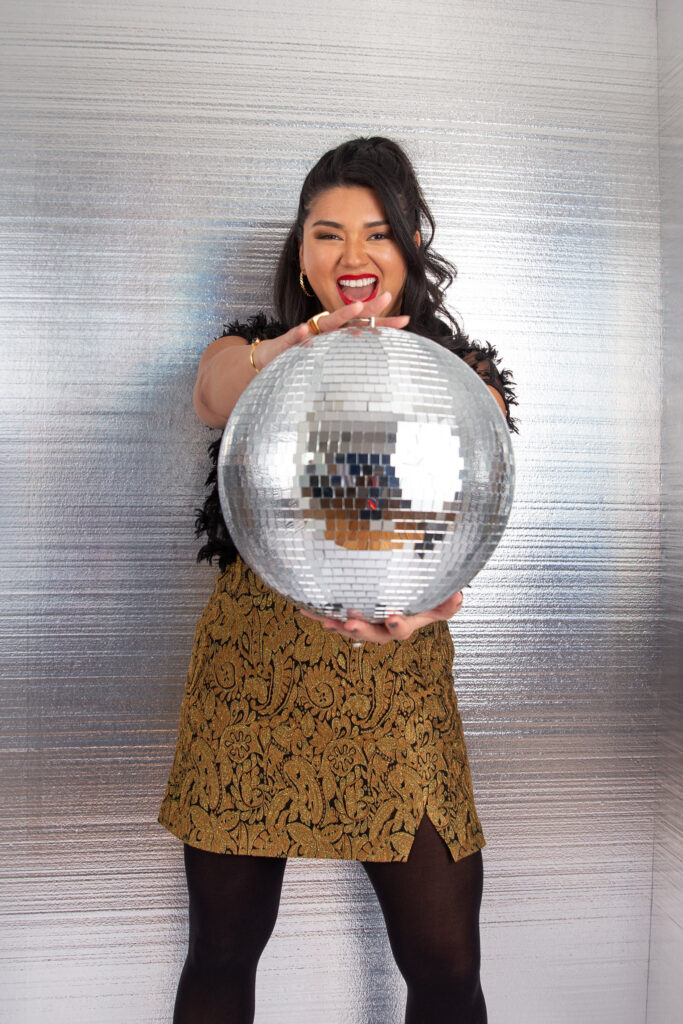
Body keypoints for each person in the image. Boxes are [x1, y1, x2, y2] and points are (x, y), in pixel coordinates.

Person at [158, 136, 517, 1024]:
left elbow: (472, 516)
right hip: (255, 674)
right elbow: (211, 396)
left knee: (445, 960)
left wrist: (436, 609)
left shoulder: (460, 377)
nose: (351, 257)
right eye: (327, 234)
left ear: (410, 241)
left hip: (394, 680)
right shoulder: (254, 349)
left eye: (375, 233)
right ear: (301, 251)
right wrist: (302, 342)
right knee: (223, 948)